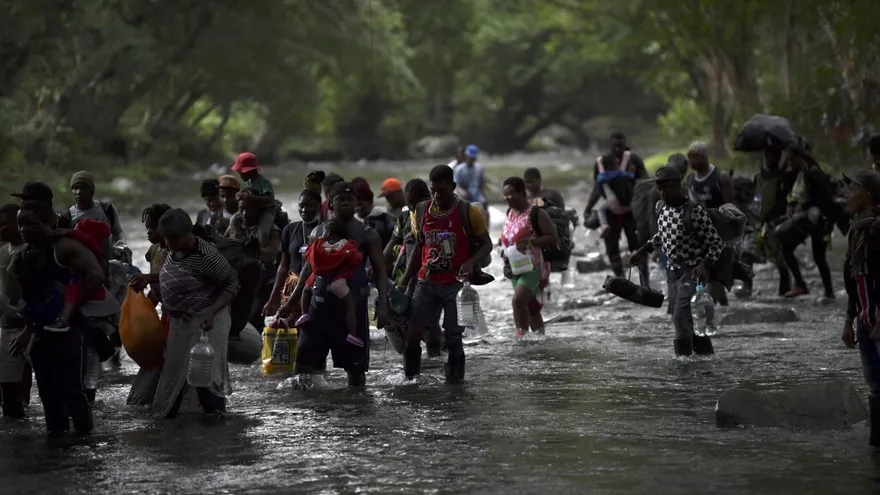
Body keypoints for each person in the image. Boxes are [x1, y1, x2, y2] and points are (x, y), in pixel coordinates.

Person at [9, 201, 110, 436]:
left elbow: (96, 275)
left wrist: (68, 310)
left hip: (68, 331)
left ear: (48, 223)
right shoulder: (25, 254)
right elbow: (30, 299)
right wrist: (28, 329)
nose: (23, 229)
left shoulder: (63, 247)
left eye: (30, 224)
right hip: (40, 331)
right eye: (20, 225)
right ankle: (57, 443)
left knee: (72, 390)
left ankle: (85, 442)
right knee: (47, 392)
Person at [128, 209, 239, 418]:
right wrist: (150, 278)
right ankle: (171, 423)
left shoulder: (207, 256)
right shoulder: (175, 248)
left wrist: (211, 311)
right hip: (181, 321)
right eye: (166, 239)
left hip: (208, 320)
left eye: (172, 239)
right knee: (173, 373)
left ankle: (217, 422)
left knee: (206, 375)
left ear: (187, 233)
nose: (168, 244)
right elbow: (181, 273)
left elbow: (233, 285)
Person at [283, 182, 389, 389]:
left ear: (356, 203)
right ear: (330, 203)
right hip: (318, 308)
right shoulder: (317, 232)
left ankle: (351, 408)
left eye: (350, 199)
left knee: (355, 373)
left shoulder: (368, 234)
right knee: (302, 368)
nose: (346, 203)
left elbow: (380, 271)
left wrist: (383, 305)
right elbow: (308, 268)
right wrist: (291, 301)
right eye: (341, 199)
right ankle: (307, 408)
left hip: (352, 309)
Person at [399, 165, 493, 383]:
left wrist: (471, 262)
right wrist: (403, 283)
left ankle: (455, 387)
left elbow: (487, 245)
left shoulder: (468, 212)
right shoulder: (420, 211)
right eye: (433, 191)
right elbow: (418, 248)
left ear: (453, 186)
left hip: (455, 284)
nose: (437, 196)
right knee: (412, 335)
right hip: (426, 282)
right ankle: (410, 383)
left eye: (441, 191)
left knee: (453, 337)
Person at [629, 166, 723, 356]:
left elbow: (716, 243)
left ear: (678, 186)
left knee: (680, 317)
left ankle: (683, 362)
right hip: (673, 273)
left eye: (667, 188)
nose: (663, 193)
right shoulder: (661, 207)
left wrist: (704, 265)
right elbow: (662, 236)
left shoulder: (695, 212)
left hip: (693, 273)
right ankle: (706, 359)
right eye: (660, 189)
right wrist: (641, 251)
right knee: (687, 318)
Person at [841, 170, 880, 446]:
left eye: (852, 189)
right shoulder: (856, 229)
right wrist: (849, 319)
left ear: (867, 196)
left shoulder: (875, 231)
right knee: (876, 388)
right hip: (865, 321)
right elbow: (855, 280)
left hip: (877, 322)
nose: (846, 194)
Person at [777, 145, 839, 300]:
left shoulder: (814, 173)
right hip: (806, 219)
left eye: (790, 160)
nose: (789, 163)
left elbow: (825, 199)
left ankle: (828, 292)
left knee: (819, 256)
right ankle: (801, 284)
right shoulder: (797, 175)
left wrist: (804, 206)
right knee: (786, 248)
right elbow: (789, 190)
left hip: (821, 221)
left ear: (799, 158)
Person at [500, 177, 558, 339]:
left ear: (521, 192)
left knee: (518, 301)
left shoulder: (536, 213)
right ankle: (540, 339)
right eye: (504, 195)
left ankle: (522, 339)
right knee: (531, 306)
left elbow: (552, 237)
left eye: (510, 194)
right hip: (515, 266)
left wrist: (531, 242)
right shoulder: (510, 212)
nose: (506, 198)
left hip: (534, 267)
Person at [584, 132, 648, 277]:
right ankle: (620, 280)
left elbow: (646, 183)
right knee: (612, 249)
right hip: (611, 210)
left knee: (638, 247)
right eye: (615, 146)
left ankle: (645, 281)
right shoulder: (601, 163)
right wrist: (588, 208)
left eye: (621, 146)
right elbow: (597, 189)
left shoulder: (634, 160)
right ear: (610, 146)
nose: (618, 149)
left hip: (632, 211)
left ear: (625, 145)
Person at [735, 146, 795, 298]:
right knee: (747, 252)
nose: (769, 159)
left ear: (778, 158)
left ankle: (785, 290)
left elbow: (783, 202)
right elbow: (755, 199)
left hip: (776, 222)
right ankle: (747, 287)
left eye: (772, 156)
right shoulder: (758, 177)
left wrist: (773, 215)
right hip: (759, 223)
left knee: (780, 259)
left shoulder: (783, 179)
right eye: (767, 156)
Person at [295, 218, 364, 347]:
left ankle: (304, 314)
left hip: (318, 280)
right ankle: (352, 334)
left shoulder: (320, 245)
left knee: (305, 290)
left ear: (329, 232)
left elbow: (309, 256)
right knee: (349, 306)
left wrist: (320, 239)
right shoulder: (345, 245)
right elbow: (355, 259)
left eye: (324, 231)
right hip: (337, 282)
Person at [686, 141, 735, 306]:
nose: (692, 161)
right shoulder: (690, 180)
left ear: (705, 157)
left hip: (719, 231)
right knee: (704, 271)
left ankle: (712, 305)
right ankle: (720, 305)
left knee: (715, 271)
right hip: (700, 233)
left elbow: (730, 206)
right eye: (690, 158)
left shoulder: (721, 177)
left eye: (695, 157)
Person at [264, 189, 323, 321]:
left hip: (314, 288)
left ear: (319, 207)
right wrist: (274, 296)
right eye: (302, 205)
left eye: (310, 206)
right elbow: (283, 266)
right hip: (292, 287)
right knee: (289, 326)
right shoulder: (290, 229)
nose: (305, 210)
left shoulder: (324, 230)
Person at [45, 219, 112, 333]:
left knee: (72, 288)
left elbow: (88, 241)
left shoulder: (91, 252)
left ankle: (63, 319)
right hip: (102, 303)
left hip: (89, 293)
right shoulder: (98, 255)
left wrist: (72, 232)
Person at [0, 204, 30, 419]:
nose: (0, 228)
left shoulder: (33, 251)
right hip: (8, 328)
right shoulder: (1, 253)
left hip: (35, 327)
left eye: (4, 224)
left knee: (53, 389)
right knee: (9, 396)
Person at [64, 171, 126, 246]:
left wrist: (121, 243)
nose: (79, 192)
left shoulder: (107, 209)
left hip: (107, 252)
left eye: (83, 187)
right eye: (75, 188)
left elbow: (118, 232)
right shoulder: (68, 217)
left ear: (92, 190)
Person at [230, 152, 276, 248]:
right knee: (233, 219)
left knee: (263, 231)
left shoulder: (264, 182)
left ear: (250, 171)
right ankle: (234, 240)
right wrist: (239, 195)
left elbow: (270, 199)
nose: (240, 175)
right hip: (249, 209)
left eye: (241, 173)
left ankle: (263, 249)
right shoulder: (249, 181)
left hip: (266, 210)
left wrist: (253, 198)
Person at [352, 178, 396, 249]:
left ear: (370, 202)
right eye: (355, 205)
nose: (357, 208)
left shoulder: (386, 219)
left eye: (360, 204)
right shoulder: (353, 221)